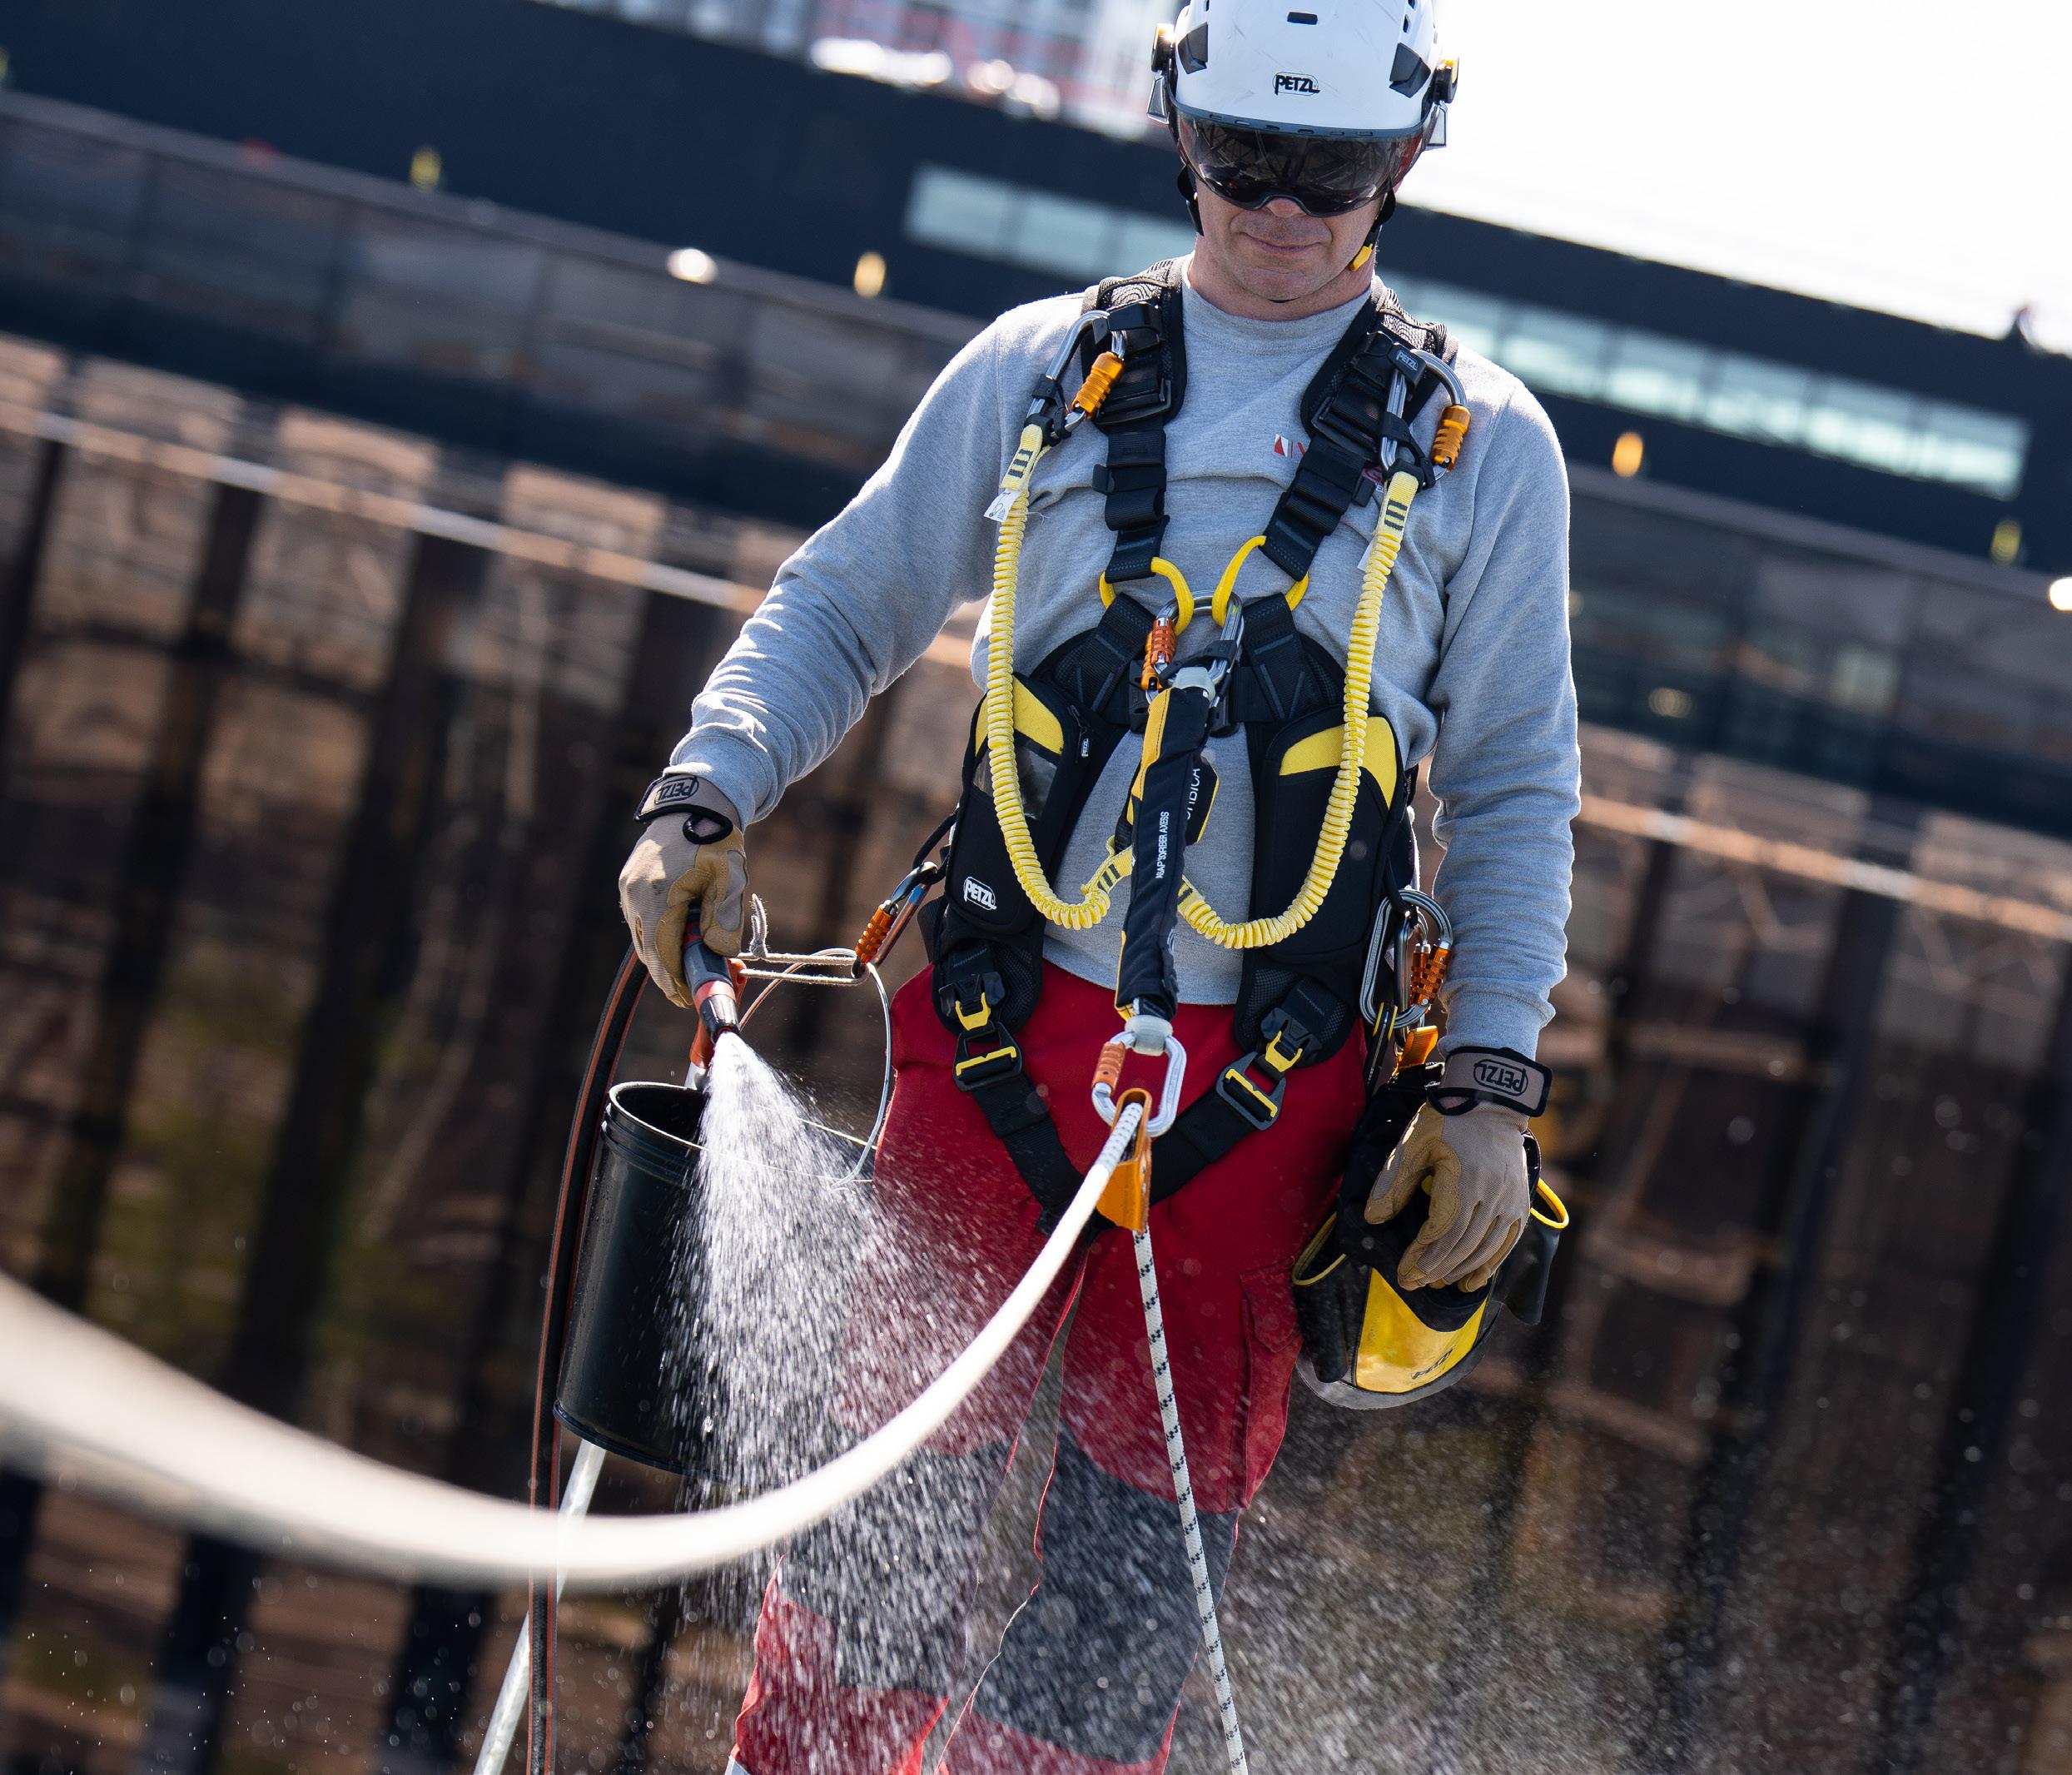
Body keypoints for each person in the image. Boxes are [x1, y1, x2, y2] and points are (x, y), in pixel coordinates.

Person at [619, 0, 1578, 1764]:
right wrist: (705, 791)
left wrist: (1494, 1078)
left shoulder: (1481, 448)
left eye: (1332, 171)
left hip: (1269, 1097)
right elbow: (847, 600)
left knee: (1126, 1624)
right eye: (1247, 161)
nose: (1283, 209)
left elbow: (1514, 786)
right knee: (864, 1565)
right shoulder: (1041, 371)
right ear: (1178, 128)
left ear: (1412, 157)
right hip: (995, 1042)